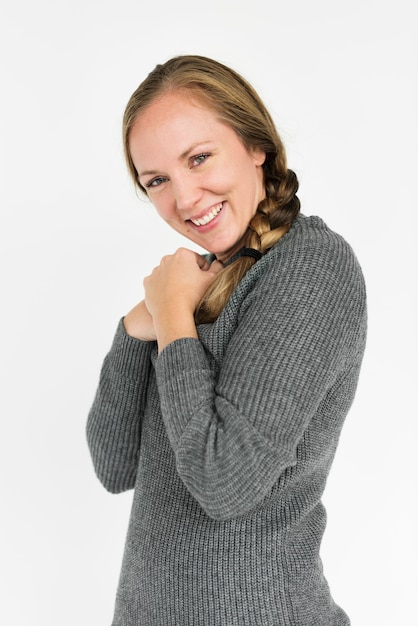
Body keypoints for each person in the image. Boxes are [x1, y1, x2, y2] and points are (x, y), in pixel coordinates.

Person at [86, 55, 367, 626]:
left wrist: (171, 315)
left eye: (199, 158)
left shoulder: (310, 267)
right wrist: (135, 330)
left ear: (256, 145)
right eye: (157, 181)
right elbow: (114, 466)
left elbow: (223, 483)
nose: (185, 199)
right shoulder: (197, 284)